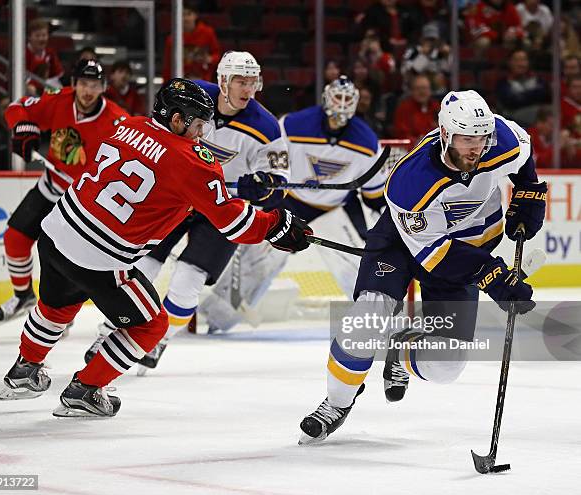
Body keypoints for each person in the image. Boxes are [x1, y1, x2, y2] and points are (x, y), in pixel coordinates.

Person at [0, 78, 312, 417]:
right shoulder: (191, 161)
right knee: (151, 325)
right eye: (197, 125)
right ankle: (86, 388)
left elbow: (155, 176)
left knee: (56, 305)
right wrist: (277, 224)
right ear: (176, 119)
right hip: (100, 257)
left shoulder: (126, 125)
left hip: (56, 233)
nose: (201, 133)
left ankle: (24, 371)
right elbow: (233, 223)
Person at [299, 89, 546, 444]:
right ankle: (336, 404)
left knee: (444, 367)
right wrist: (493, 276)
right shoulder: (410, 181)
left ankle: (399, 348)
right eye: (465, 139)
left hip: (467, 249)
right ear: (445, 134)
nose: (475, 148)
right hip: (403, 245)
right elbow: (435, 256)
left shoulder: (501, 140)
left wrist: (528, 192)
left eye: (481, 138)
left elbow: (524, 157)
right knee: (366, 320)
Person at [84, 51, 289, 368]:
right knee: (143, 267)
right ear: (222, 80)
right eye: (239, 81)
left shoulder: (267, 127)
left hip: (221, 207)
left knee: (186, 280)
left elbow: (279, 185)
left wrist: (264, 186)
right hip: (176, 197)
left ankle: (158, 339)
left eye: (252, 82)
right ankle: (110, 330)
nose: (247, 90)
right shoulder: (189, 96)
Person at [201, 76, 389, 333]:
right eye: (338, 97)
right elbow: (268, 158)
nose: (342, 105)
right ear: (325, 98)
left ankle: (374, 323)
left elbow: (374, 194)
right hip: (290, 202)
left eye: (348, 99)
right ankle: (218, 316)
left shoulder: (367, 143)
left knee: (356, 261)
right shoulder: (293, 125)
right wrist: (262, 182)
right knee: (259, 259)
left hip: (334, 208)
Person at [0, 60, 130, 323]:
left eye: (95, 85)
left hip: (80, 205)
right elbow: (16, 107)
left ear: (103, 88)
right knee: (15, 238)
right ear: (73, 84)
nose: (88, 91)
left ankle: (57, 313)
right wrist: (22, 127)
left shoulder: (116, 121)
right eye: (83, 84)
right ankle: (23, 296)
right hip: (51, 185)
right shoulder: (58, 101)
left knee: (62, 262)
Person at [161, 0, 221, 82]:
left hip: (204, 81)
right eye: (182, 15)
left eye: (188, 14)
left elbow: (217, 55)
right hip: (181, 82)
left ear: (195, 15)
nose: (185, 18)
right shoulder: (172, 39)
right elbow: (167, 66)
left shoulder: (207, 32)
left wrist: (209, 59)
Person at [392, 73, 440, 144]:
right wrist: (418, 141)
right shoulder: (404, 109)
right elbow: (401, 134)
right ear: (412, 91)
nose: (422, 92)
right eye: (418, 88)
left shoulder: (436, 107)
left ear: (430, 90)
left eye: (424, 88)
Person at [25, 18, 65, 95]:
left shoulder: (50, 52)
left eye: (44, 35)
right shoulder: (23, 54)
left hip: (45, 86)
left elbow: (57, 75)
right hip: (26, 88)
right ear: (29, 37)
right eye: (37, 36)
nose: (41, 39)